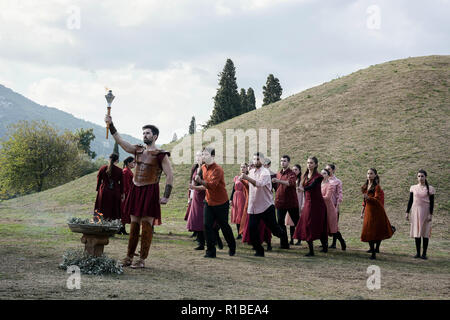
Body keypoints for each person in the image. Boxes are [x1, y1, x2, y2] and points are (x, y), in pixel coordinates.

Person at [105, 115, 173, 268]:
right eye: (143, 133)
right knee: (134, 224)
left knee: (146, 225)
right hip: (136, 189)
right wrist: (111, 125)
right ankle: (129, 257)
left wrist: (166, 196)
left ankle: (141, 260)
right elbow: (121, 142)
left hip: (150, 190)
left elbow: (170, 175)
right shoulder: (137, 150)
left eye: (148, 133)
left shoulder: (161, 154)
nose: (145, 135)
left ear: (155, 136)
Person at [239, 152, 289, 257]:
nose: (255, 161)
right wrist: (244, 179)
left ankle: (284, 237)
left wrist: (246, 178)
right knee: (252, 229)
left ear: (262, 160)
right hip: (253, 206)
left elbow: (259, 184)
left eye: (258, 159)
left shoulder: (265, 172)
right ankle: (259, 251)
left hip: (266, 206)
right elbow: (250, 186)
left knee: (274, 229)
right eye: (254, 159)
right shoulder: (251, 171)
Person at [194, 147, 236, 258]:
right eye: (202, 154)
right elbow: (204, 184)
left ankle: (232, 246)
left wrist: (200, 181)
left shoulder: (218, 169)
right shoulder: (203, 167)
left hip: (221, 202)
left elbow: (212, 186)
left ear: (212, 156)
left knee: (224, 226)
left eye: (206, 154)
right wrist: (197, 183)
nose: (203, 156)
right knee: (207, 226)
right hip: (209, 201)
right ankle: (210, 252)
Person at [294, 157, 328, 257]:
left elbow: (312, 186)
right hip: (308, 203)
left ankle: (324, 246)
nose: (309, 164)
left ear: (316, 164)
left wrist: (302, 189)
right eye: (308, 163)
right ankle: (311, 250)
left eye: (311, 163)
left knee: (320, 224)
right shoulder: (305, 175)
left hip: (318, 204)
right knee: (307, 224)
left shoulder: (319, 176)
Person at [360, 168, 394, 260]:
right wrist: (362, 210)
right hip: (368, 210)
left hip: (376, 211)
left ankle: (374, 252)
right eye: (368, 173)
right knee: (368, 229)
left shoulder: (377, 187)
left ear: (375, 175)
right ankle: (372, 249)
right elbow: (364, 200)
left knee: (374, 231)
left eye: (371, 173)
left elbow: (377, 199)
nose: (369, 175)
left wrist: (369, 198)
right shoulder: (365, 186)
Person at [406, 169, 435, 259]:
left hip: (425, 212)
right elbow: (410, 200)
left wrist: (430, 214)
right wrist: (407, 212)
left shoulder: (430, 188)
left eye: (422, 176)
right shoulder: (413, 187)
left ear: (425, 177)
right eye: (419, 176)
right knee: (417, 232)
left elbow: (432, 202)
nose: (420, 178)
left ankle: (424, 254)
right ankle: (418, 253)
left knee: (425, 232)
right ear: (417, 177)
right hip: (415, 211)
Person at [272, 155, 300, 249]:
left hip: (291, 203)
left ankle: (308, 241)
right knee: (280, 223)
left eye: (284, 161)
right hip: (280, 202)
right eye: (281, 161)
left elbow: (290, 183)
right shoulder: (278, 173)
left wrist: (278, 180)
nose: (282, 162)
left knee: (297, 223)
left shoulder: (292, 173)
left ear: (288, 162)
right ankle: (284, 244)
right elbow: (277, 187)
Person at [321, 168, 346, 250]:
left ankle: (342, 241)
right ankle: (325, 246)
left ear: (328, 176)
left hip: (330, 209)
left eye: (324, 173)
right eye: (321, 173)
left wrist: (317, 197)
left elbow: (327, 197)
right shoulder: (319, 184)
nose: (322, 175)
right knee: (323, 227)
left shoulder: (330, 185)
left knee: (333, 229)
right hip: (322, 208)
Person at [94, 153, 123, 221]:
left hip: (103, 191)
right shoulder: (119, 170)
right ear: (117, 160)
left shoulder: (102, 168)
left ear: (109, 159)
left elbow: (99, 180)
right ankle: (112, 223)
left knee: (102, 207)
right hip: (115, 191)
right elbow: (122, 183)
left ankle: (100, 222)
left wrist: (98, 189)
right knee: (112, 208)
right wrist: (122, 192)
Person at [285, 164, 304, 245]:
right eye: (293, 169)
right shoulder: (291, 178)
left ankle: (299, 239)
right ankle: (292, 239)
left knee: (297, 222)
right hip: (291, 201)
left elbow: (304, 192)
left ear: (299, 171)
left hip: (299, 201)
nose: (294, 171)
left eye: (296, 169)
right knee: (291, 222)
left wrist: (303, 204)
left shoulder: (302, 180)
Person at [325, 164, 343, 248]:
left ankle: (335, 243)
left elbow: (339, 194)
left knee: (334, 225)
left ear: (333, 170)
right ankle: (324, 242)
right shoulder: (324, 180)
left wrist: (337, 205)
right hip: (325, 206)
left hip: (333, 205)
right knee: (324, 224)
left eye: (329, 169)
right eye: (326, 169)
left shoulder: (337, 181)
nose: (327, 170)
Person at [230, 163, 249, 239]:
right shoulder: (237, 177)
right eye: (241, 167)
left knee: (241, 215)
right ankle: (238, 233)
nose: (242, 168)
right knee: (236, 214)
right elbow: (233, 189)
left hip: (243, 197)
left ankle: (244, 232)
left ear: (247, 168)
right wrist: (231, 199)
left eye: (244, 167)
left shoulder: (248, 177)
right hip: (236, 197)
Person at [119, 156, 136, 235]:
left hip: (129, 193)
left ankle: (122, 229)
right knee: (124, 212)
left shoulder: (128, 170)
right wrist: (125, 194)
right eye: (133, 162)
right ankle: (121, 228)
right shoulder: (126, 171)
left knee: (125, 212)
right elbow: (125, 184)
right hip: (126, 194)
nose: (134, 164)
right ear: (128, 163)